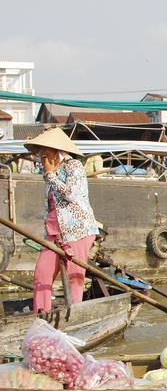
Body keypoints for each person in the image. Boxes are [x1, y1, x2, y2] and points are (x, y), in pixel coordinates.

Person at [24, 128, 100, 313]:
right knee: (41, 275)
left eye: (45, 153)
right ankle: (40, 316)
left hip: (77, 231)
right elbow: (51, 206)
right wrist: (50, 174)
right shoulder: (50, 171)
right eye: (40, 153)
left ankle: (74, 315)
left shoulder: (73, 166)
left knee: (75, 277)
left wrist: (51, 175)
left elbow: (72, 195)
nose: (41, 157)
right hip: (53, 233)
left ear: (56, 151)